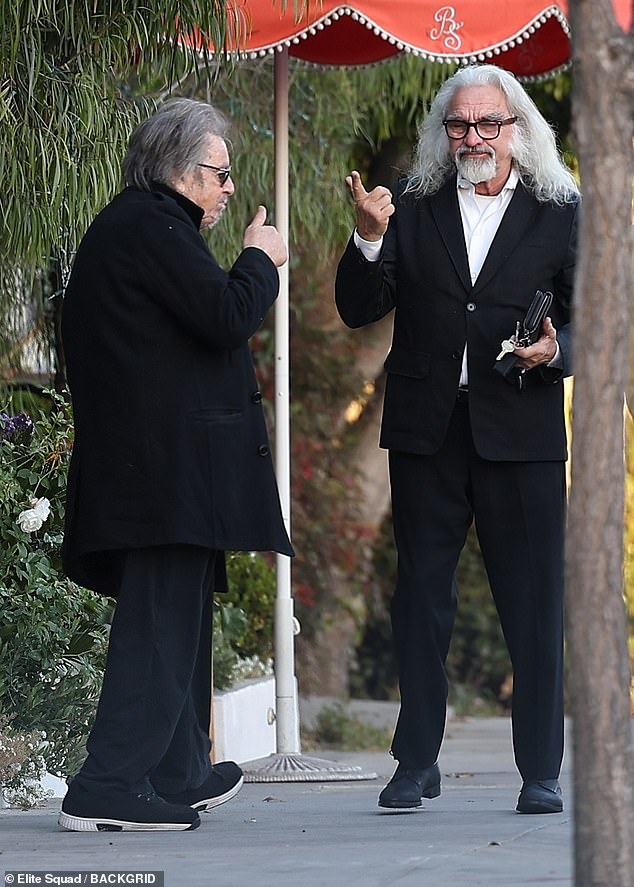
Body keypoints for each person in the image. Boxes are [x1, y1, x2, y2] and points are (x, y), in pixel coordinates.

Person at [336, 64, 579, 815]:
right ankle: (415, 761)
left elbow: (595, 314)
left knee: (534, 606)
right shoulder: (408, 202)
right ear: (444, 131)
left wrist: (556, 350)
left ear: (518, 130)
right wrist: (369, 240)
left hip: (522, 428)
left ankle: (540, 770)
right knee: (420, 603)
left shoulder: (562, 208)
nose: (472, 138)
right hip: (426, 432)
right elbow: (356, 306)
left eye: (488, 124)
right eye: (459, 125)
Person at [59, 98, 293, 832]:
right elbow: (225, 315)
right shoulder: (153, 227)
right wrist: (261, 257)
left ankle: (178, 769)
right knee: (159, 629)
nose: (230, 188)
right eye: (220, 175)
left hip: (164, 473)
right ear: (177, 170)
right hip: (160, 476)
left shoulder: (145, 227)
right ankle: (108, 784)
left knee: (180, 621)